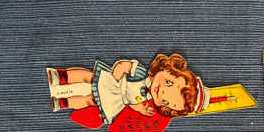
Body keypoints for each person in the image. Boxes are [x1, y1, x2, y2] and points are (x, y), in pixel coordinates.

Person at [47, 53, 211, 125]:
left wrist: (139, 109)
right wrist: (116, 75)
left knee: (90, 101)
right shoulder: (141, 73)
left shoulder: (147, 98)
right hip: (113, 82)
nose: (161, 92)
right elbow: (123, 65)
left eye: (166, 101)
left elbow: (131, 100)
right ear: (167, 69)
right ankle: (61, 76)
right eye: (168, 83)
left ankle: (63, 102)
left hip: (116, 100)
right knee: (88, 77)